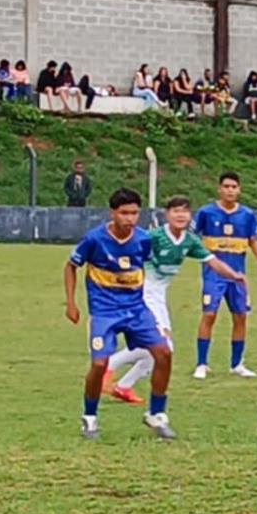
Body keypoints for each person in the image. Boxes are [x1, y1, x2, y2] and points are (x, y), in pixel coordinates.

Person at [105, 195, 246, 403]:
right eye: (176, 211)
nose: (180, 215)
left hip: (158, 296)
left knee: (162, 349)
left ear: (190, 216)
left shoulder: (190, 241)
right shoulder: (154, 236)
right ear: (166, 215)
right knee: (160, 346)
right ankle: (108, 366)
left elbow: (213, 261)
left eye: (185, 211)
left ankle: (122, 385)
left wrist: (234, 275)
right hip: (143, 294)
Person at [63, 188, 178, 441]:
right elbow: (70, 266)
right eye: (124, 213)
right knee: (99, 364)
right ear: (112, 213)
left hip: (136, 310)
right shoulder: (95, 239)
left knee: (164, 352)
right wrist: (71, 303)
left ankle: (156, 414)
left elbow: (144, 271)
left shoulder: (143, 240)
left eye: (134, 213)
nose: (130, 219)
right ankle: (90, 417)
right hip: (105, 312)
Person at [192, 171, 257, 380]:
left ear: (239, 190)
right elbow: (192, 237)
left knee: (240, 317)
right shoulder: (206, 212)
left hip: (238, 276)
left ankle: (236, 364)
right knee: (209, 315)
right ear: (219, 189)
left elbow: (253, 241)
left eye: (234, 187)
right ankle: (202, 364)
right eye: (226, 187)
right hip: (213, 275)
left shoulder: (247, 215)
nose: (230, 190)